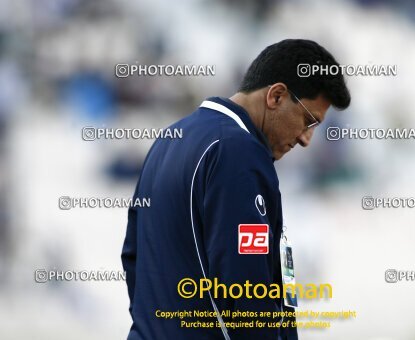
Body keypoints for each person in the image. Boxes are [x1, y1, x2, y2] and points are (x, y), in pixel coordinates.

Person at [121, 39, 350, 340]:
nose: (306, 139)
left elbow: (133, 255)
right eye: (308, 121)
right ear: (277, 95)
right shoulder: (239, 152)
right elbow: (246, 288)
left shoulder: (169, 139)